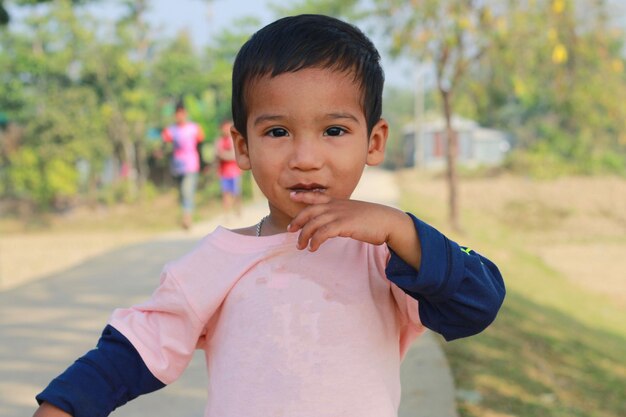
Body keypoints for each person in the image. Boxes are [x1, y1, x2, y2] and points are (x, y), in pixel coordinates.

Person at [32, 15, 505, 417]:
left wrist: (399, 227)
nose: (305, 156)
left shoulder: (385, 256)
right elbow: (131, 352)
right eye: (278, 131)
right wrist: (62, 406)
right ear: (243, 147)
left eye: (334, 130)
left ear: (374, 141)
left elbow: (476, 304)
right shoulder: (216, 263)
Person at [161, 102, 205, 229]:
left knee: (187, 191)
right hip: (177, 167)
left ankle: (187, 219)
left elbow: (200, 146)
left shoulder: (194, 128)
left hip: (191, 164)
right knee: (182, 193)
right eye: (177, 114)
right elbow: (165, 146)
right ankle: (187, 214)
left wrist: (202, 164)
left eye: (182, 113)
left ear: (185, 114)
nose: (179, 116)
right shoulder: (171, 130)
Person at [215, 119, 242, 216]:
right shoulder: (219, 141)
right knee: (226, 194)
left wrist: (224, 155)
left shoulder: (233, 140)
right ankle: (227, 213)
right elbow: (217, 155)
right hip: (224, 173)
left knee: (236, 193)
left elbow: (234, 155)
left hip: (234, 171)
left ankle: (238, 210)